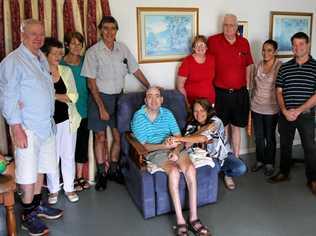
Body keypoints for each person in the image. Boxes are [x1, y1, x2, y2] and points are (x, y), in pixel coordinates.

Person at [0, 19, 63, 236]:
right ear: (22, 35)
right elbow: (8, 98)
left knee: (41, 169)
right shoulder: (13, 61)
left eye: (41, 34)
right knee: (27, 174)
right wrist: (15, 127)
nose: (38, 38)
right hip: (26, 127)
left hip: (45, 124)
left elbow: (47, 85)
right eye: (33, 33)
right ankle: (28, 216)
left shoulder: (41, 58)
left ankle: (37, 207)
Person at [81, 16, 150, 191]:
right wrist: (101, 107)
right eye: (105, 28)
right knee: (100, 137)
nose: (109, 32)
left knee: (119, 137)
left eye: (113, 28)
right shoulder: (93, 52)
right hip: (99, 98)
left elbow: (135, 70)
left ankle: (112, 170)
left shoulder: (122, 49)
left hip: (119, 98)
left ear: (116, 30)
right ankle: (101, 173)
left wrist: (150, 88)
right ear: (100, 30)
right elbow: (91, 83)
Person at [131, 87, 210, 236]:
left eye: (157, 96)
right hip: (155, 151)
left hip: (175, 148)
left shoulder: (167, 114)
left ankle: (194, 219)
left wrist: (175, 150)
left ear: (162, 100)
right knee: (174, 172)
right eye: (150, 96)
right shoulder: (139, 117)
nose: (153, 100)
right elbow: (143, 146)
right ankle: (180, 221)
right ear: (145, 100)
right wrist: (164, 146)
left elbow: (178, 138)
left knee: (191, 169)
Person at [268, 32, 316, 196]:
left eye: (301, 44)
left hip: (306, 115)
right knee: (286, 145)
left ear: (308, 45)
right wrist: (284, 111)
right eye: (294, 45)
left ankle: (312, 179)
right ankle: (284, 172)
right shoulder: (285, 67)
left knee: (309, 147)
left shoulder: (315, 67)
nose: (297, 48)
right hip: (286, 114)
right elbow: (279, 91)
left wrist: (299, 110)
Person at [171, 98, 247, 190]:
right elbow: (187, 144)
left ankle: (226, 173)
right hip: (204, 157)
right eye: (196, 111)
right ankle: (216, 170)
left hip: (222, 156)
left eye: (202, 110)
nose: (199, 114)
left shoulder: (216, 121)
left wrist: (183, 138)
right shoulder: (191, 125)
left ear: (207, 111)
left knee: (241, 168)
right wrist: (202, 129)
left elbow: (202, 138)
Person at [207, 14, 253, 157]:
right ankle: (224, 159)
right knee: (223, 128)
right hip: (220, 93)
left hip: (240, 93)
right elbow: (205, 61)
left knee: (236, 128)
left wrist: (248, 87)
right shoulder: (213, 41)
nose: (228, 28)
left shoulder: (244, 42)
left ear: (236, 26)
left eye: (231, 25)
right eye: (225, 25)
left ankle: (236, 158)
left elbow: (249, 65)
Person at [42, 37, 81, 204]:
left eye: (60, 53)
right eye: (54, 53)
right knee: (52, 157)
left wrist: (53, 96)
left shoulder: (66, 71)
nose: (58, 56)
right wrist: (59, 97)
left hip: (67, 120)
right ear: (45, 54)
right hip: (47, 123)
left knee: (68, 156)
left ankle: (70, 188)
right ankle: (53, 190)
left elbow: (73, 96)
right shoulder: (39, 72)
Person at [62, 31, 90, 192]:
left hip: (84, 108)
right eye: (73, 43)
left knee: (81, 143)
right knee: (66, 146)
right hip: (66, 111)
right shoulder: (60, 64)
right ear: (67, 45)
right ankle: (67, 178)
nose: (77, 47)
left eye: (80, 44)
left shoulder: (85, 62)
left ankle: (79, 176)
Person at [250, 40, 282, 176]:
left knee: (269, 137)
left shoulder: (279, 66)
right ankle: (260, 160)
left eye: (269, 50)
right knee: (258, 137)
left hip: (271, 109)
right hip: (256, 107)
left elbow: (282, 89)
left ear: (275, 52)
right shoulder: (257, 65)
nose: (265, 53)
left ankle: (269, 163)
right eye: (264, 50)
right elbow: (253, 86)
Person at [177, 35, 215, 108]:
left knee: (210, 119)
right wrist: (186, 103)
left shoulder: (212, 59)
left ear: (206, 47)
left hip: (210, 101)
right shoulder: (187, 62)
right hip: (193, 103)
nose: (200, 47)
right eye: (197, 45)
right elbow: (180, 86)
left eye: (202, 45)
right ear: (193, 48)